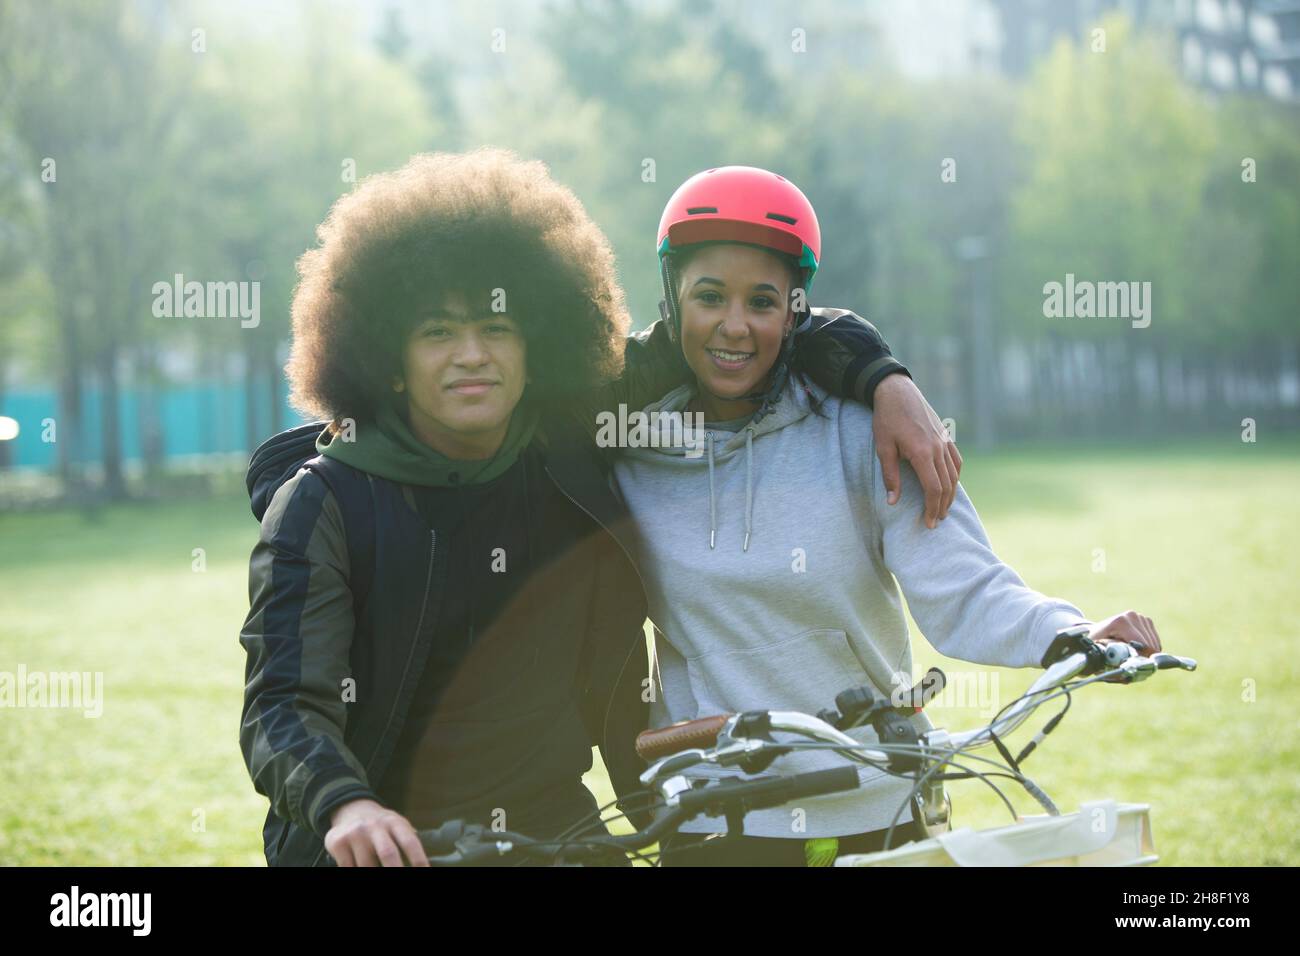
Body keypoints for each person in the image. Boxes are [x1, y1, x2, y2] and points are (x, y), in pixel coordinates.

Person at [237, 149, 958, 866]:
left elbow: (734, 325)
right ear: (387, 362)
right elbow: (282, 705)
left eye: (496, 329)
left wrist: (881, 374)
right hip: (378, 842)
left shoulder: (568, 449)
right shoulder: (323, 505)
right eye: (437, 333)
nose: (471, 355)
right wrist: (344, 803)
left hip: (555, 835)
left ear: (535, 347)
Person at [610, 165, 1164, 867]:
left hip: (882, 801)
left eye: (763, 301)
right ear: (673, 300)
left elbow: (965, 586)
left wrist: (1069, 632)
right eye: (709, 297)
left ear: (795, 311)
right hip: (714, 818)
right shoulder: (627, 449)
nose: (735, 326)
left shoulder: (865, 431)